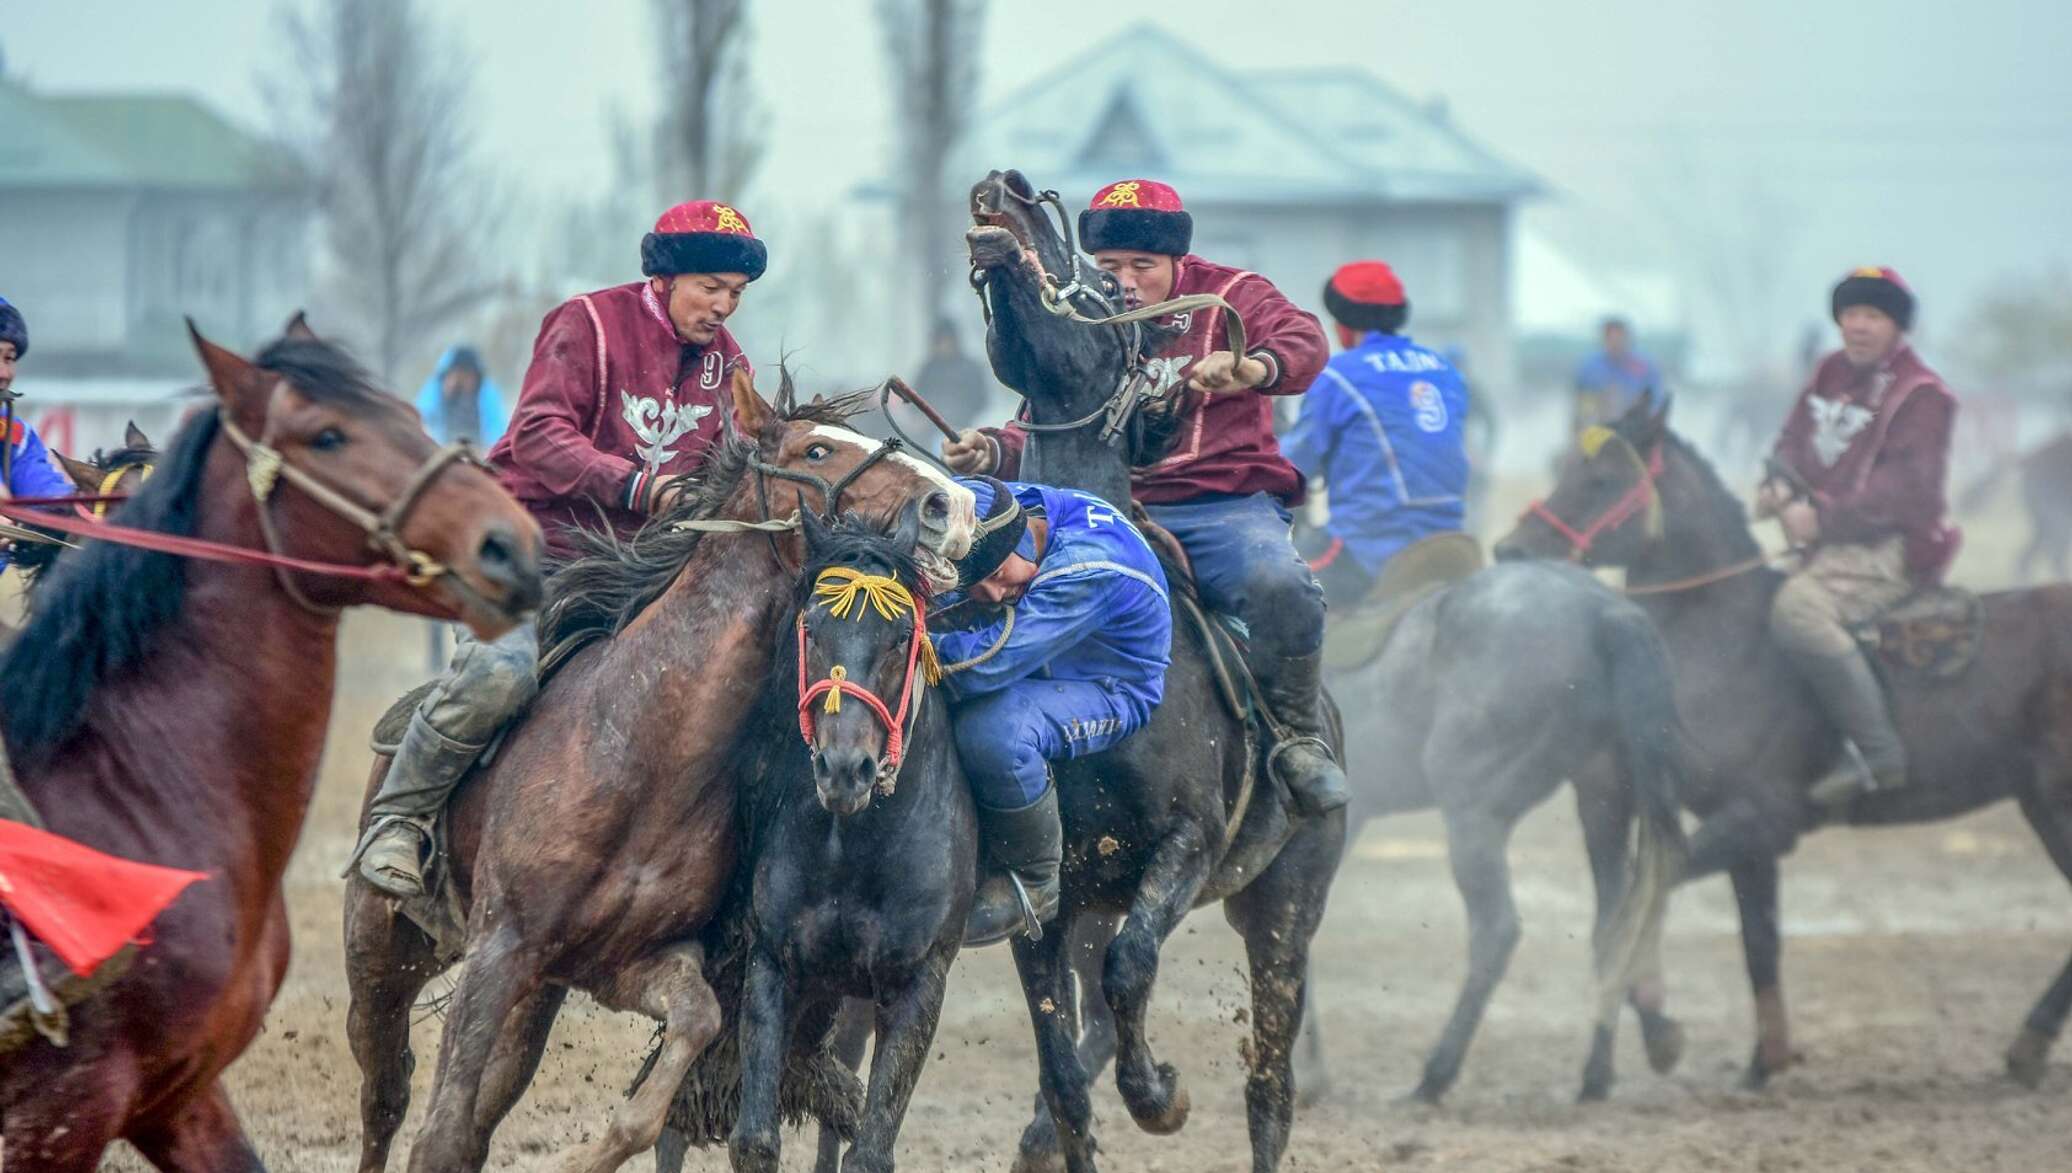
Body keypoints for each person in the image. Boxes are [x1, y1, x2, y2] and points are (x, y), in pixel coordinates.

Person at [351, 200, 768, 897]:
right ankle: (398, 819)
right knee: (500, 676)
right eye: (711, 286)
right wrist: (638, 487)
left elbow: (732, 467)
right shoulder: (588, 323)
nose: (724, 305)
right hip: (529, 549)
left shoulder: (731, 367)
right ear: (664, 279)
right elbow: (540, 434)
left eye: (736, 292)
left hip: (633, 571)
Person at [941, 178, 1347, 817]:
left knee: (1280, 583)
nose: (1125, 281)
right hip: (1105, 513)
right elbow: (1054, 415)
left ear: (1175, 261)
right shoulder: (1088, 312)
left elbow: (1306, 343)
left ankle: (1297, 735)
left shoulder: (1232, 296)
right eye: (1109, 266)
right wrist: (992, 449)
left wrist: (1252, 367)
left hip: (1222, 507)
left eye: (1142, 266)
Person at [936, 477, 1172, 944]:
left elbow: (984, 665)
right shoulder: (1005, 506)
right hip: (1042, 660)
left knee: (993, 732)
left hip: (1107, 686)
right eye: (977, 583)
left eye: (998, 575)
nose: (993, 592)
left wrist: (904, 643)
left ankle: (1034, 881)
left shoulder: (1087, 569)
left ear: (1022, 537)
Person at [1755, 266, 1955, 810]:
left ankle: (1877, 752)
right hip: (1827, 544)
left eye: (1873, 315)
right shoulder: (1829, 372)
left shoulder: (1922, 395)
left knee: (1798, 611)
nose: (1859, 326)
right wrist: (1778, 480)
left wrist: (1820, 518)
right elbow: (1794, 439)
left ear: (1897, 327)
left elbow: (1905, 492)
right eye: (1850, 314)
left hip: (1888, 550)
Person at [1283, 261, 1470, 608]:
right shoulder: (1445, 369)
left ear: (1342, 326)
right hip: (1454, 543)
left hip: (1368, 549)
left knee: (1276, 589)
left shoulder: (1339, 376)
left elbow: (1294, 469)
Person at [0, 297, 78, 575]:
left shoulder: (15, 436)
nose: (4, 373)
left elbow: (49, 500)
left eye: (9, 358)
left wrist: (94, 504)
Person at [1572, 316, 1662, 432]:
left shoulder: (1645, 366)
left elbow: (1656, 400)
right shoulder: (1588, 368)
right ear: (1604, 339)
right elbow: (1581, 402)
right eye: (1611, 338)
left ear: (1627, 338)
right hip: (1598, 427)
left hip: (1637, 428)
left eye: (1619, 337)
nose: (1615, 342)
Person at [911, 316, 997, 433]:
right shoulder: (928, 369)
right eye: (940, 341)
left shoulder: (970, 369)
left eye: (947, 340)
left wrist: (963, 414)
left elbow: (981, 399)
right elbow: (915, 398)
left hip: (964, 427)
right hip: (930, 430)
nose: (944, 345)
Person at [414, 345, 510, 447]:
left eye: (468, 376)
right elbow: (423, 422)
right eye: (457, 375)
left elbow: (496, 430)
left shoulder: (486, 397)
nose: (462, 381)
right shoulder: (433, 395)